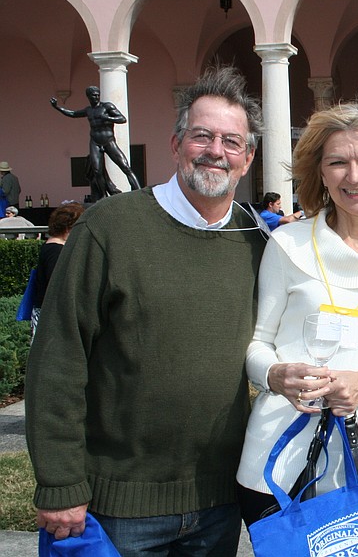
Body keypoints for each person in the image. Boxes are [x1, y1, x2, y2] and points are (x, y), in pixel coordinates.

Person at [26, 65, 267, 556]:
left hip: (217, 505)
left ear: (247, 159)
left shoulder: (257, 243)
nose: (216, 151)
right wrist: (59, 483)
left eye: (231, 141)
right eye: (202, 136)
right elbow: (57, 362)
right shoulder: (110, 229)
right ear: (176, 145)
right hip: (115, 509)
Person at [235, 100, 358, 527]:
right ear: (322, 175)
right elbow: (257, 343)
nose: (354, 175)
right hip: (276, 465)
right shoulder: (286, 244)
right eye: (338, 162)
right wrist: (275, 375)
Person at [50, 86, 142, 201]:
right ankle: (103, 197)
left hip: (108, 140)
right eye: (94, 95)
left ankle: (138, 192)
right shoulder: (89, 110)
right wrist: (57, 107)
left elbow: (122, 119)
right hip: (95, 142)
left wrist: (107, 117)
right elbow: (73, 114)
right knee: (97, 170)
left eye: (98, 94)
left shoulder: (107, 106)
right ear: (88, 96)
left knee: (125, 166)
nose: (97, 97)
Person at [30, 202, 85, 336]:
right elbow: (58, 284)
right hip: (51, 315)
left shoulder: (51, 247)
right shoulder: (56, 251)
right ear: (68, 227)